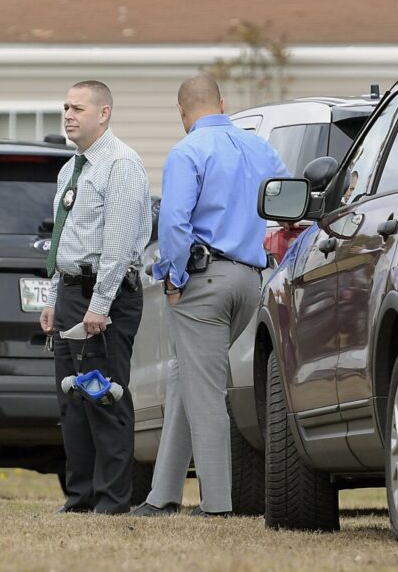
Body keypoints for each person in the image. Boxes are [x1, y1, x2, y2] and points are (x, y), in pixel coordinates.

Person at [133, 75, 289, 518]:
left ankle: (217, 505)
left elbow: (175, 223)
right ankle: (162, 496)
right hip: (249, 281)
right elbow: (286, 203)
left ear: (181, 112)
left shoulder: (187, 151)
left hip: (204, 282)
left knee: (204, 393)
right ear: (222, 104)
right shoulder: (261, 149)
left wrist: (173, 277)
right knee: (186, 378)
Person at [39, 80, 152, 515]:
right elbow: (63, 240)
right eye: (66, 107)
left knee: (103, 396)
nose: (68, 115)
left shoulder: (120, 165)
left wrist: (100, 306)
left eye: (78, 109)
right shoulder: (72, 168)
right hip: (72, 291)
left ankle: (112, 500)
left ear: (103, 114)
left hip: (104, 297)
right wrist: (54, 298)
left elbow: (119, 246)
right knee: (72, 400)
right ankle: (81, 496)